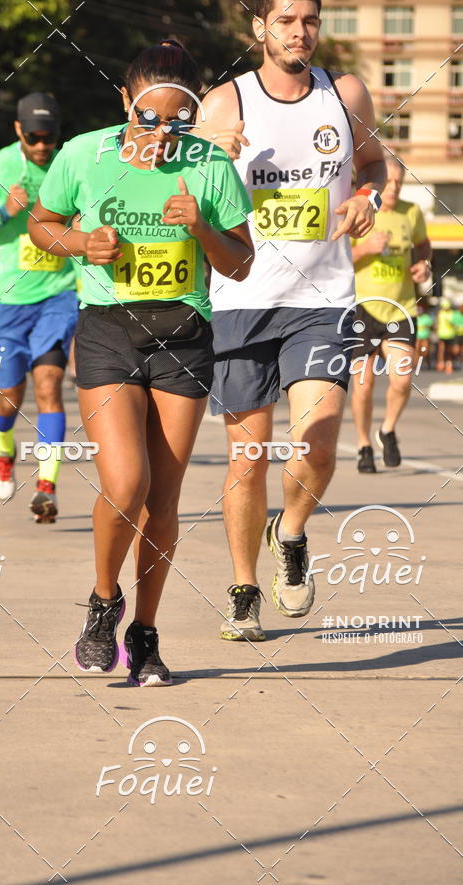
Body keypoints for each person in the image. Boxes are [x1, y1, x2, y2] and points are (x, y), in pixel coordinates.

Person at [29, 40, 253, 685]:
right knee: (124, 484)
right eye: (146, 117)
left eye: (175, 121)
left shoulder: (209, 165)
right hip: (107, 330)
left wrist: (201, 229)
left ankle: (146, 631)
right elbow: (43, 222)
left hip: (183, 334)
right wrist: (80, 243)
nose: (159, 133)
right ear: (125, 102)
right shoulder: (85, 155)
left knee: (163, 496)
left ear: (192, 115)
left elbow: (241, 262)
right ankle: (104, 602)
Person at [196, 0, 386, 638]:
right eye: (285, 20)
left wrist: (368, 198)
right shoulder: (226, 102)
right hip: (242, 299)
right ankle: (244, 588)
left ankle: (293, 531)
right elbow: (182, 199)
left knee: (319, 440)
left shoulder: (345, 92)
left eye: (308, 20)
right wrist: (209, 157)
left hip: (323, 298)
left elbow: (375, 166)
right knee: (247, 457)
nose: (298, 32)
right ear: (260, 28)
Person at [0, 93, 79, 523]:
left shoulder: (71, 163)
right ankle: (4, 453)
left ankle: (47, 487)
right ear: (18, 131)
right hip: (6, 301)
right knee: (9, 396)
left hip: (58, 295)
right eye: (34, 137)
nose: (44, 145)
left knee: (49, 385)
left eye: (51, 137)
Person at [350, 155, 431, 472]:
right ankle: (363, 444)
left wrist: (423, 265)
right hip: (362, 307)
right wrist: (366, 249)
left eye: (400, 182)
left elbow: (424, 247)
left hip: (401, 307)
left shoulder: (411, 213)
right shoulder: (358, 211)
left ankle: (387, 429)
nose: (394, 187)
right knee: (364, 383)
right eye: (390, 182)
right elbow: (338, 257)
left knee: (401, 379)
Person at [436, 299, 456, 374]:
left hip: (450, 334)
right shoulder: (440, 313)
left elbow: (454, 323)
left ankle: (449, 364)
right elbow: (437, 323)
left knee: (449, 350)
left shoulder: (452, 313)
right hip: (442, 334)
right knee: (441, 349)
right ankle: (440, 363)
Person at [416, 303, 434, 370]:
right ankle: (418, 364)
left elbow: (432, 326)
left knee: (425, 351)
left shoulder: (426, 317)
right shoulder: (415, 318)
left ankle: (427, 363)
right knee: (417, 351)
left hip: (425, 337)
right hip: (417, 337)